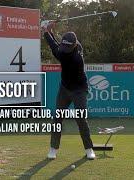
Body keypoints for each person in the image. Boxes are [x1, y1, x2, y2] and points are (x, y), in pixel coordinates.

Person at [42, 21, 95, 160]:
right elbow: (58, 45)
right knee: (57, 117)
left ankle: (89, 149)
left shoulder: (76, 59)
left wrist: (46, 30)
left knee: (80, 118)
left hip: (79, 90)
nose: (64, 49)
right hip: (65, 88)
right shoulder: (67, 49)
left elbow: (55, 46)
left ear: (74, 46)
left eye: (67, 47)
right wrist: (49, 31)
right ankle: (53, 149)